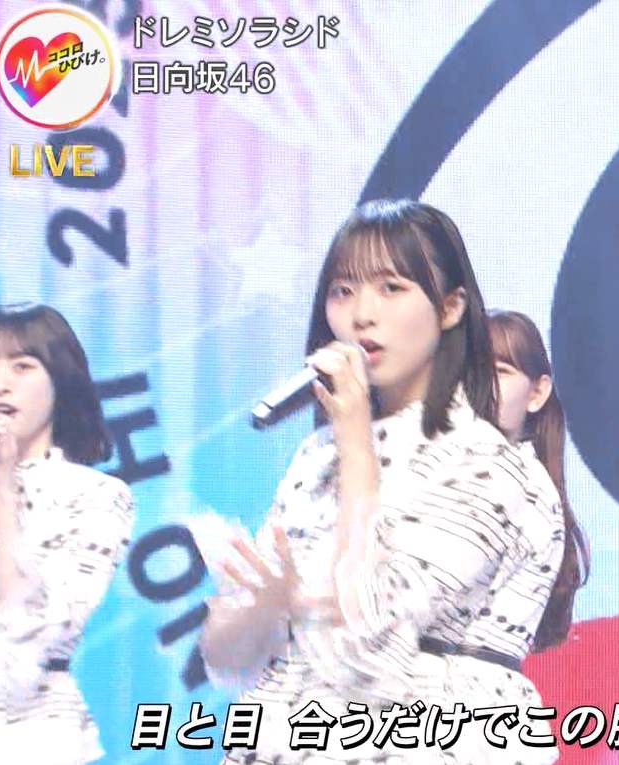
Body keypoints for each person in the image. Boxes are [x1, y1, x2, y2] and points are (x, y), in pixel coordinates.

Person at [200, 200, 567, 763]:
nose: (361, 315)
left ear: (450, 307)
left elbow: (368, 639)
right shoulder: (314, 457)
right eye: (342, 291)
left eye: (390, 288)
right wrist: (261, 609)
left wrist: (356, 446)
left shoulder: (493, 466)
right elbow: (223, 656)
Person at [0, 303, 135, 765]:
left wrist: (3, 492)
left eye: (22, 366)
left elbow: (35, 632)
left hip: (27, 740)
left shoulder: (97, 496)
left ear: (61, 382)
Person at [487, 309, 588, 651]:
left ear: (537, 392)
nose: (479, 386)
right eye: (466, 372)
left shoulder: (523, 487)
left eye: (498, 372)